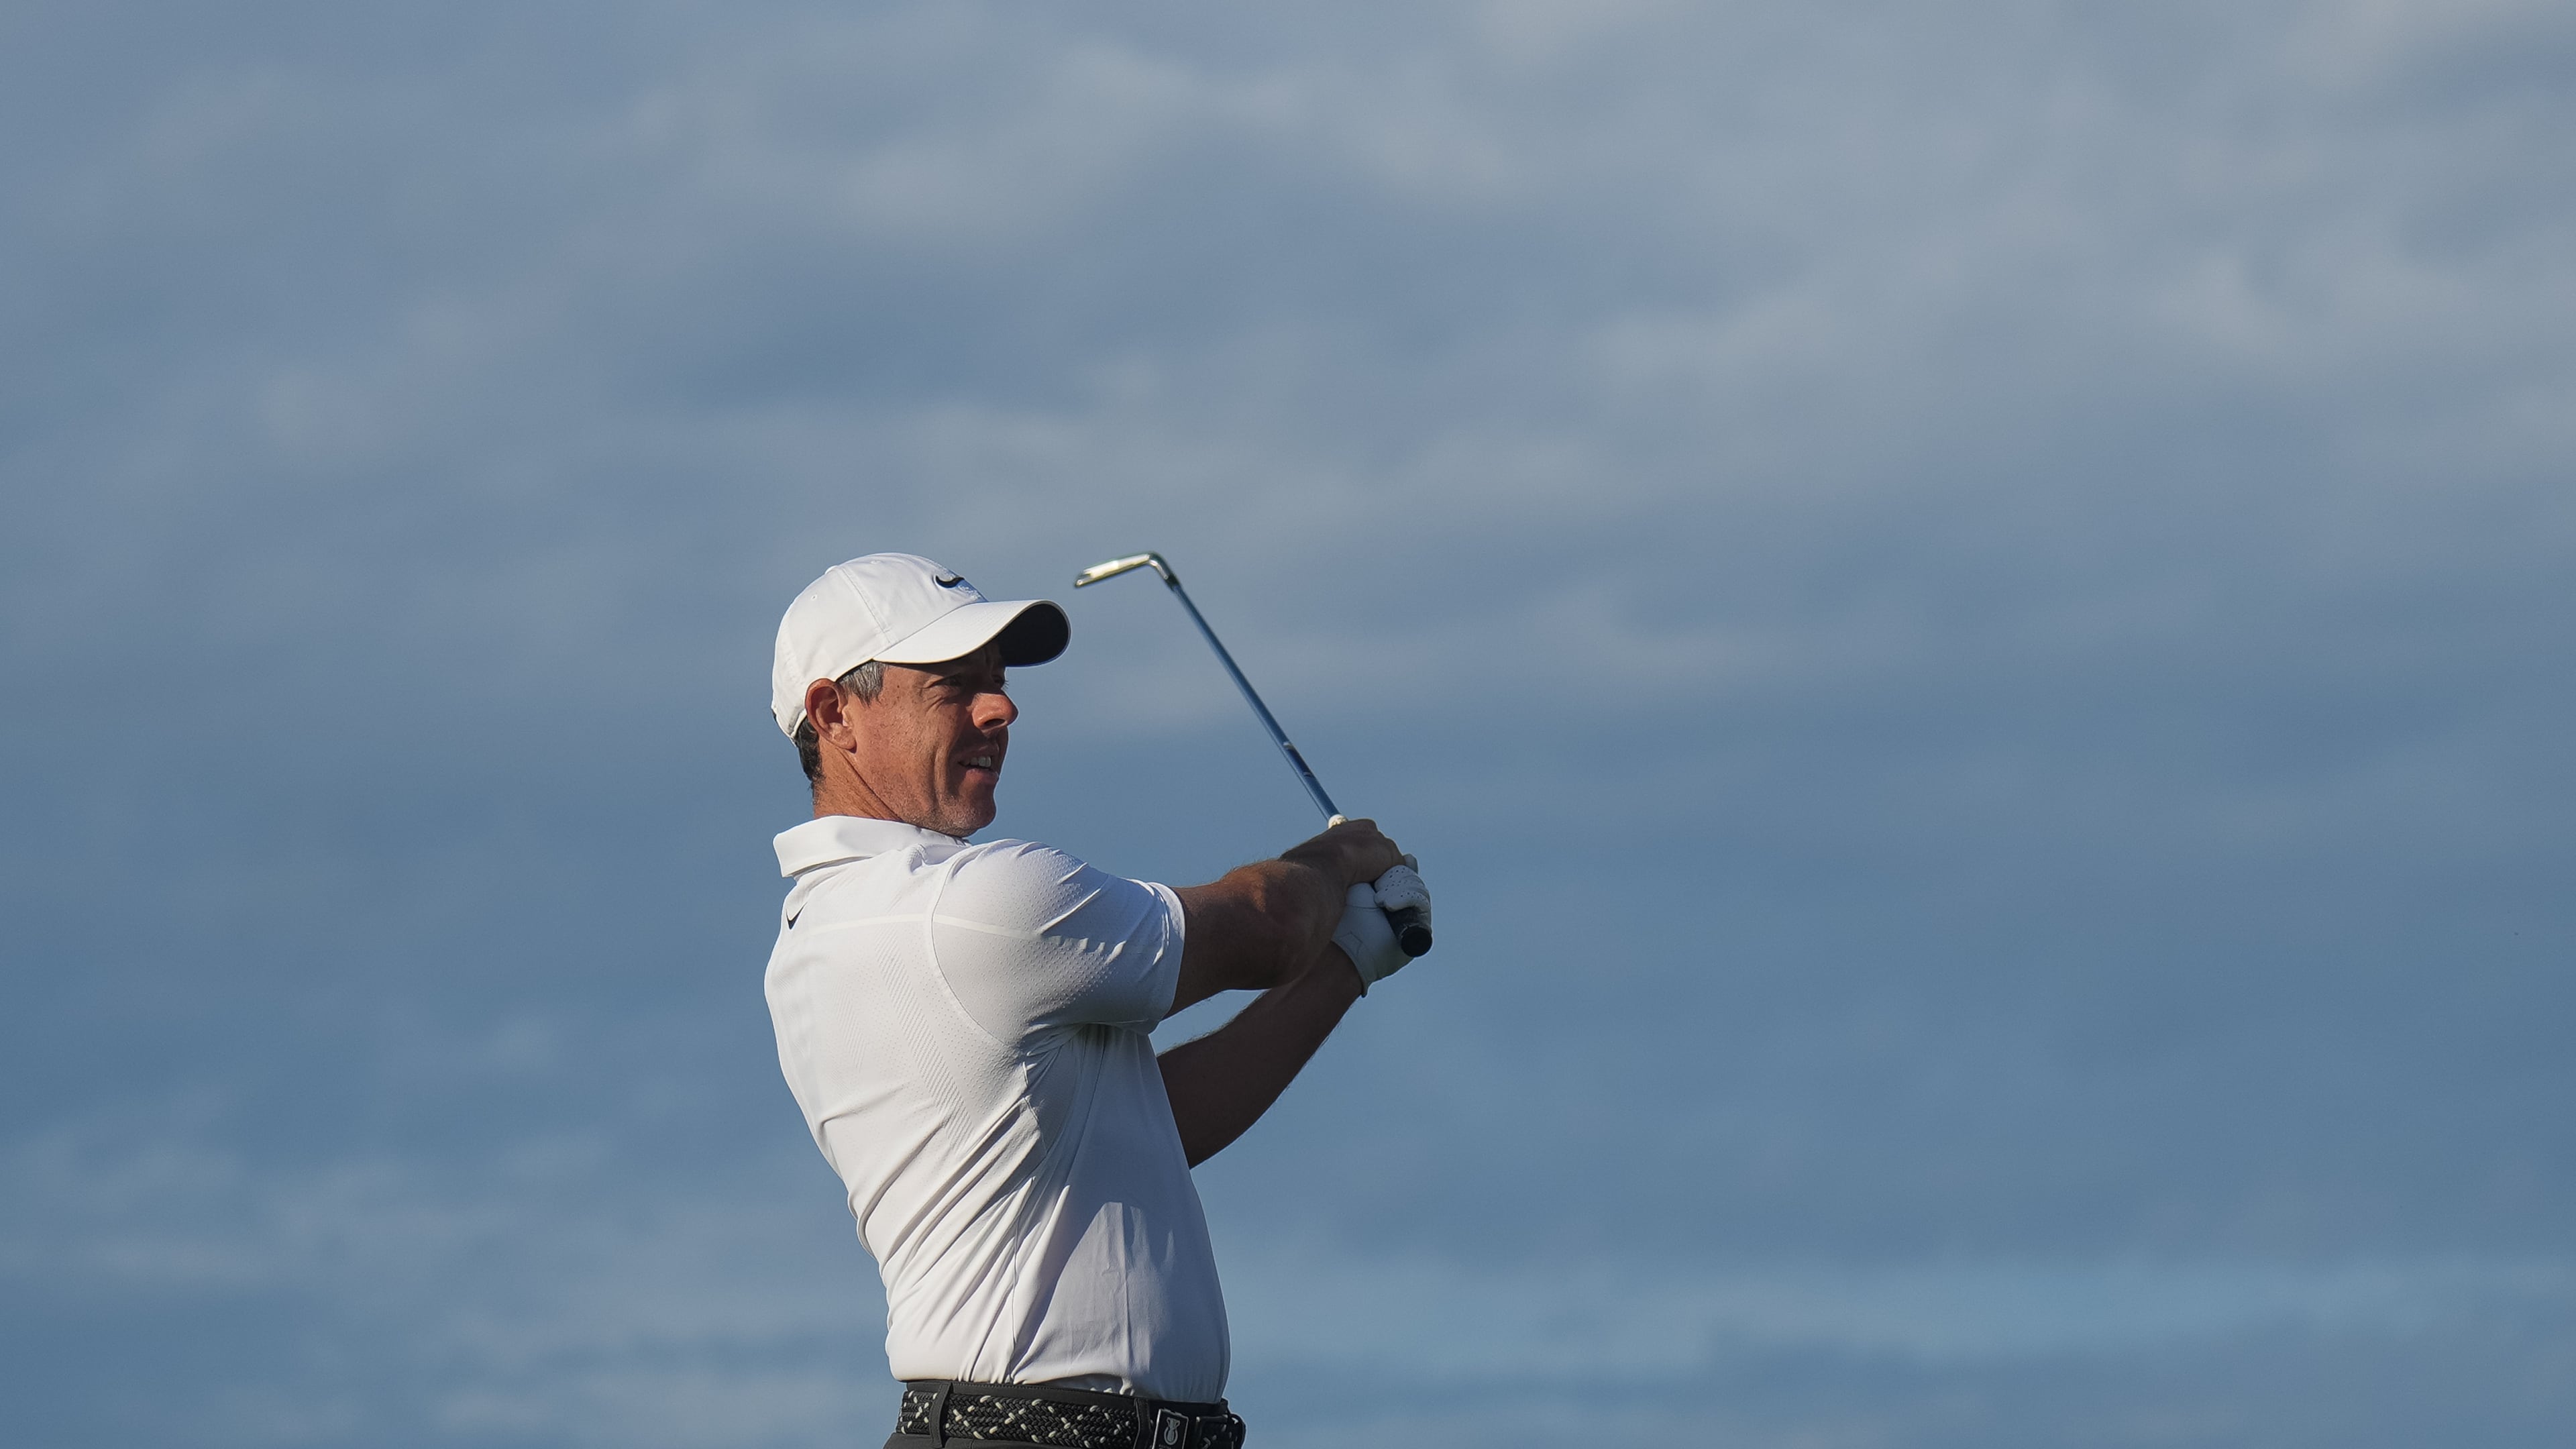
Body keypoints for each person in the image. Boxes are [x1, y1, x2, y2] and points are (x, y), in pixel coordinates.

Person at [761, 553, 1432, 1449]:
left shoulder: (831, 929)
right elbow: (1266, 926)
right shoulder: (964, 905)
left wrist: (1347, 959)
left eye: (996, 685)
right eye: (956, 685)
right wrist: (1344, 858)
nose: (1000, 710)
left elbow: (1160, 1122)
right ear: (834, 713)